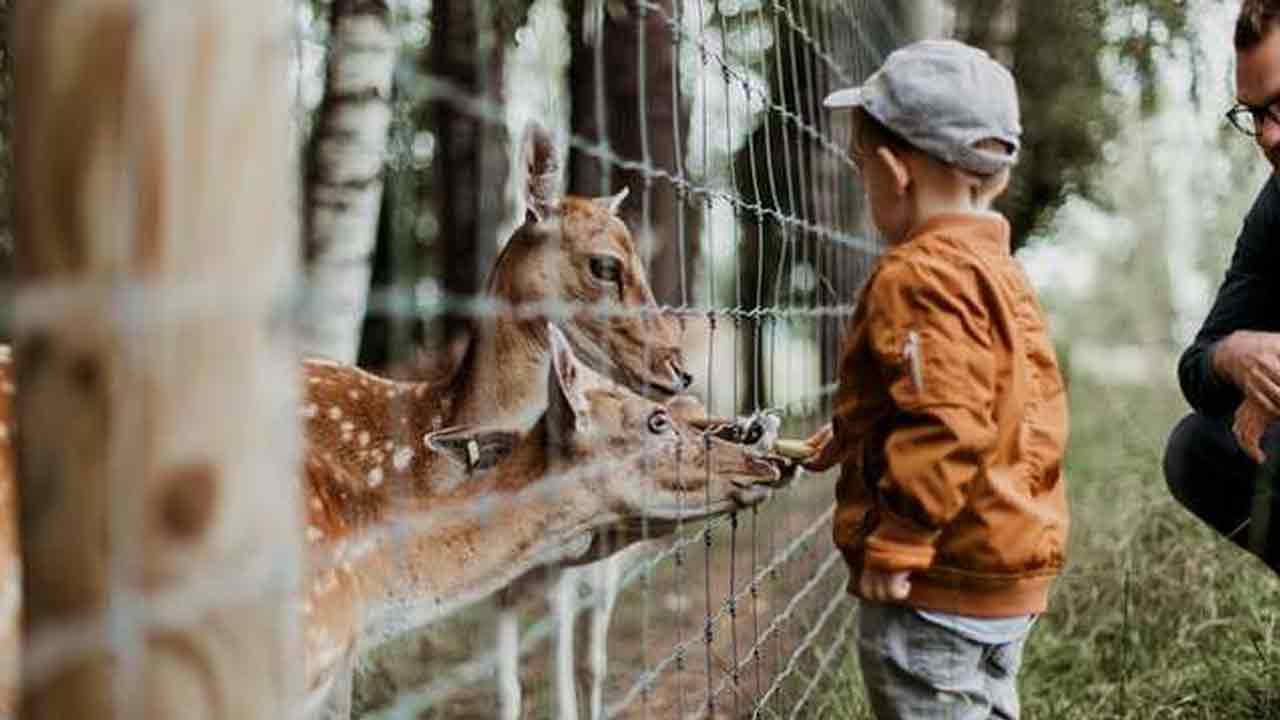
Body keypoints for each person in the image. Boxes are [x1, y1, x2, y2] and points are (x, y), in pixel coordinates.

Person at [804, 40, 1070, 719]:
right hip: (1000, 569)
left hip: (935, 581)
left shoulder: (917, 275)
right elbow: (986, 399)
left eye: (862, 169)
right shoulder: (998, 273)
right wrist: (849, 434)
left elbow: (946, 420)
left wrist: (900, 541)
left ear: (895, 173)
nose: (867, 185)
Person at [1164, 0, 1280, 568]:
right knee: (1197, 449)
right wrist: (1236, 357)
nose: (1269, 137)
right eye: (1255, 115)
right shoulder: (1277, 207)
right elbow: (1198, 365)